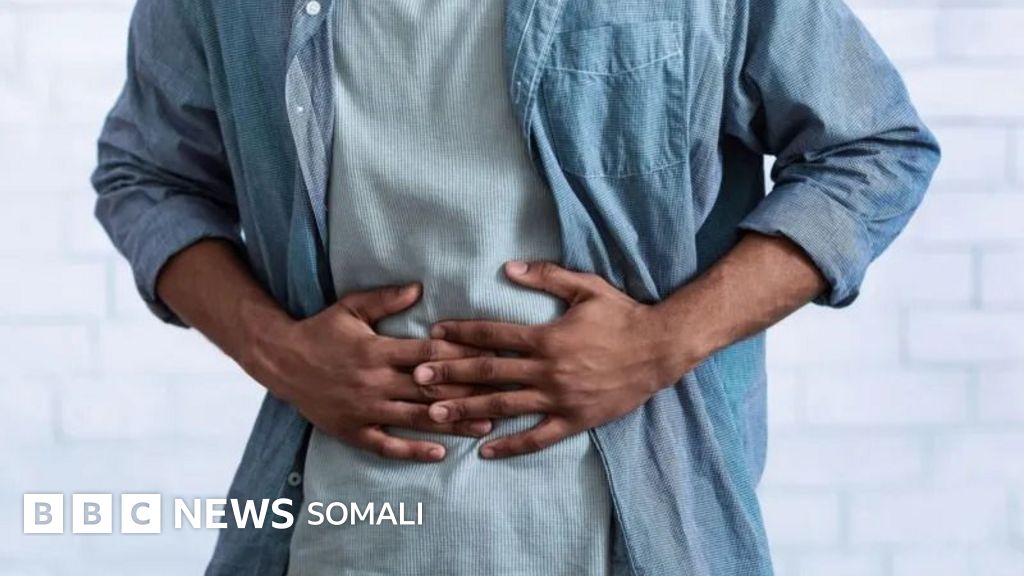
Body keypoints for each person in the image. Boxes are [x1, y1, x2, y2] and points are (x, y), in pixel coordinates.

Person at [91, 0, 940, 575]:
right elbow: (148, 177)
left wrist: (658, 344)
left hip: (640, 535)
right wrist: (275, 350)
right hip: (341, 536)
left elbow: (872, 148)